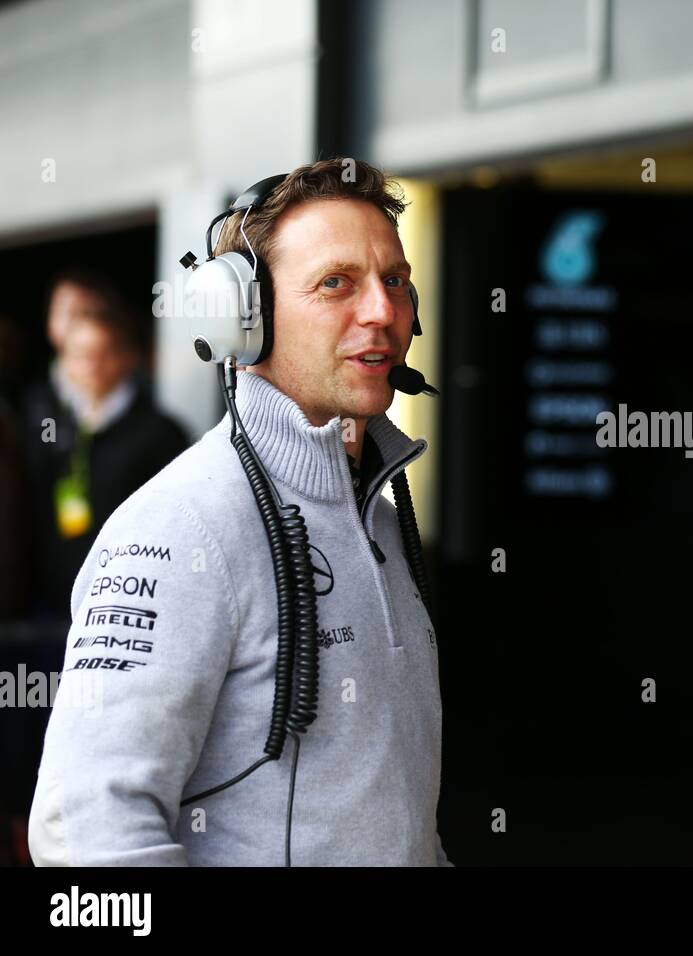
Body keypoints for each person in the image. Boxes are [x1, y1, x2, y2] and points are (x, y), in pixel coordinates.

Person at [29, 158, 451, 866]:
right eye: (336, 283)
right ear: (241, 320)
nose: (382, 310)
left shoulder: (380, 513)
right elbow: (86, 833)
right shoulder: (177, 527)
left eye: (395, 280)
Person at [20, 298, 190, 620]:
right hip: (50, 604)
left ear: (129, 357)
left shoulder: (161, 432)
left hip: (129, 601)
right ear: (64, 362)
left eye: (106, 353)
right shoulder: (50, 425)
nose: (93, 366)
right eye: (81, 356)